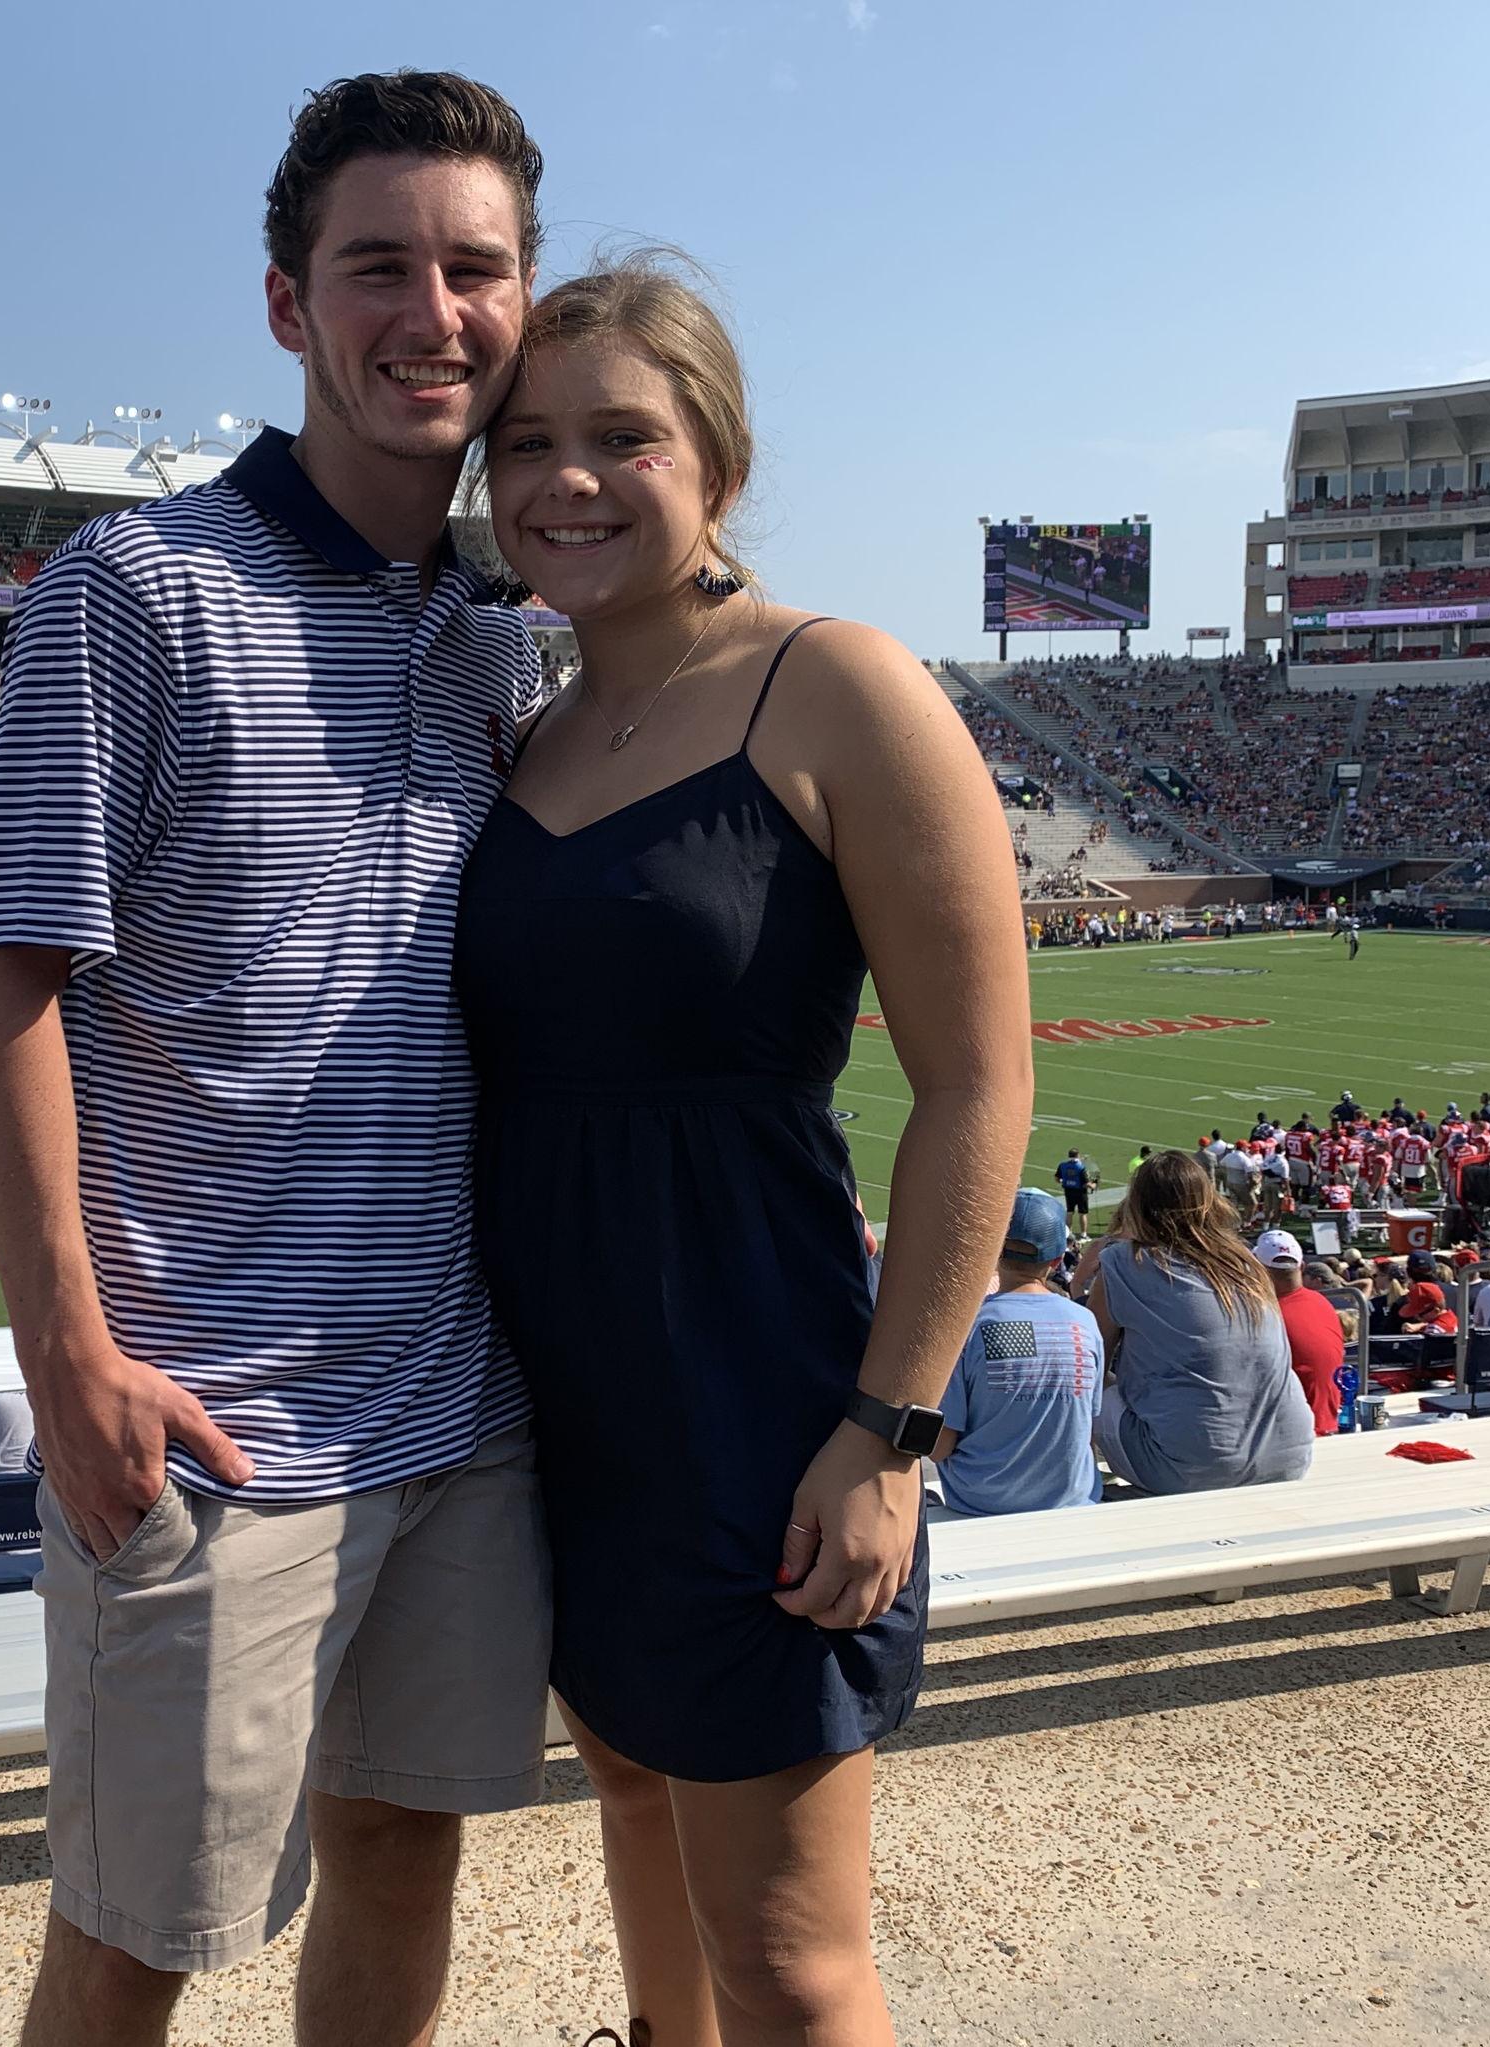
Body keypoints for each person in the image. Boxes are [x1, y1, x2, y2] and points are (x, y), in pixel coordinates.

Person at [0, 73, 554, 2046]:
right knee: (136, 1940)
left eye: (476, 270)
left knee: (402, 1856)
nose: (432, 312)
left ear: (523, 304)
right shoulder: (136, 590)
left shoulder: (507, 636)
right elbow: (8, 974)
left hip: (457, 1411)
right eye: (379, 265)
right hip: (211, 1430)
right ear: (288, 303)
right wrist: (68, 1353)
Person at [458, 259, 1031, 2047]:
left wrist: (887, 1431)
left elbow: (973, 1089)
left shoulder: (835, 682)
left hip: (756, 1388)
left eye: (619, 435)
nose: (565, 479)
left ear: (714, 449)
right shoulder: (519, 729)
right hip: (548, 1389)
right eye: (524, 441)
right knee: (631, 1792)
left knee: (788, 1958)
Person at [1088, 1151, 1314, 1494]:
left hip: (1190, 1469)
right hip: (1289, 1456)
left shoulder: (1124, 1263)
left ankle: (1070, 1483)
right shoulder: (1245, 1261)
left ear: (1138, 1203)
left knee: (1088, 1386)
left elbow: (1086, 1366)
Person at [933, 1190, 1103, 1516]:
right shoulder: (1083, 1321)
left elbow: (941, 1446)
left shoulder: (970, 1325)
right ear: (1056, 1261)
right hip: (1071, 1497)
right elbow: (1086, 1426)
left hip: (981, 1500)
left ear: (995, 1249)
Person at [1254, 1232, 1346, 1436]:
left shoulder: (1264, 1315)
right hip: (1329, 1423)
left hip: (1290, 1436)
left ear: (1258, 1270)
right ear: (1302, 1266)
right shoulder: (1322, 1303)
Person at [1055, 1147, 1092, 1234]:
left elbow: (1057, 1178)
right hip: (1080, 1192)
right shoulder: (1081, 1167)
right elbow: (1086, 1183)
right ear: (1078, 1155)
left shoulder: (1062, 1165)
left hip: (1068, 1191)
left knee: (1069, 1212)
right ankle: (1083, 1234)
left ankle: (1068, 1233)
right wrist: (1093, 1185)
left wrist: (1064, 1181)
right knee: (1082, 1213)